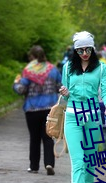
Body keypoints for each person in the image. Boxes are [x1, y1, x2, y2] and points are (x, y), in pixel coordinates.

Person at [59, 31, 106, 183]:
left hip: (92, 116)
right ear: (75, 50)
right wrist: (64, 92)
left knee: (91, 162)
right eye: (80, 50)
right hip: (72, 116)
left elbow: (105, 90)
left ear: (93, 48)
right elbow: (65, 97)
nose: (84, 53)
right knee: (78, 162)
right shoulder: (67, 68)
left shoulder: (101, 68)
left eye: (87, 49)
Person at [13, 45, 62, 175]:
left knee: (34, 138)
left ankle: (34, 166)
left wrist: (16, 83)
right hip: (49, 109)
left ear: (32, 57)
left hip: (32, 109)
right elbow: (60, 87)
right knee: (48, 137)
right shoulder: (53, 70)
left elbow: (21, 90)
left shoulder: (28, 71)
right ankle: (49, 163)